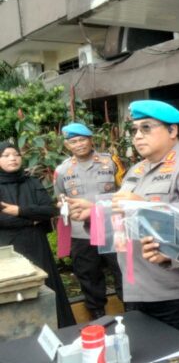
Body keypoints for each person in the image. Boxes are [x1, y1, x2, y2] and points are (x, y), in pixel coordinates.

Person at [69, 100, 179, 340]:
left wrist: (144, 205)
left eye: (146, 128)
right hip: (136, 286)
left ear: (172, 131)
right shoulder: (136, 170)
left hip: (175, 292)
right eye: (135, 130)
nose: (138, 136)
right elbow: (122, 214)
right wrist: (94, 212)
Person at [0, 142, 75, 327]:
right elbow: (3, 220)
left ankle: (59, 329)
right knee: (15, 289)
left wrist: (19, 211)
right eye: (6, 155)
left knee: (47, 287)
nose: (13, 158)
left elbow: (49, 210)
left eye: (16, 154)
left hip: (36, 244)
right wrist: (32, 217)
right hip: (7, 248)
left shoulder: (31, 181)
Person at [54, 122, 123, 320]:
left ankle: (131, 306)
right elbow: (60, 198)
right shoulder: (62, 170)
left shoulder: (111, 162)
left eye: (82, 139)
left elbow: (126, 190)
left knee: (121, 269)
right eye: (73, 141)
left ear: (91, 140)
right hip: (81, 232)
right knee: (88, 273)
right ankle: (97, 312)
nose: (79, 144)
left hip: (111, 228)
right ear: (67, 145)